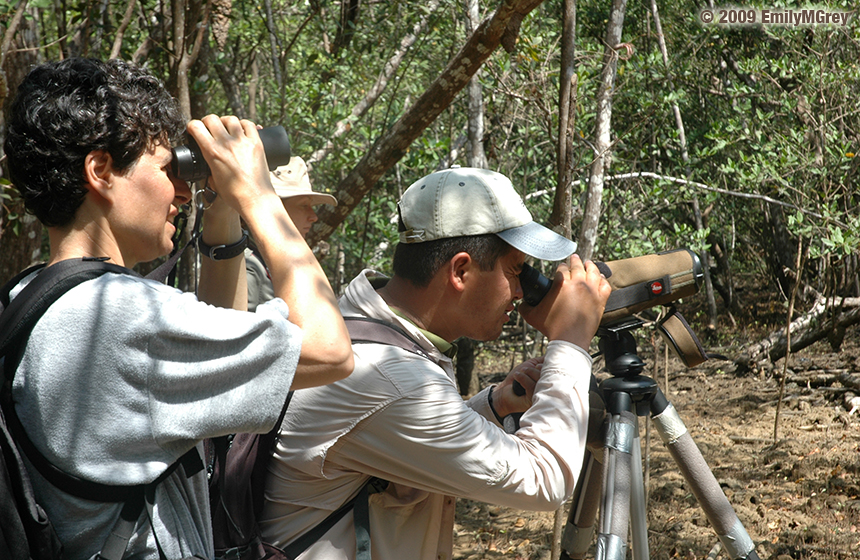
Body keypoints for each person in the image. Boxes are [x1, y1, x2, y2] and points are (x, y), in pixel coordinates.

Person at [2, 58, 353, 559]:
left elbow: (212, 346)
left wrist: (224, 212)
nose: (183, 192)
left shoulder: (33, 296)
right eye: (169, 169)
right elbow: (330, 351)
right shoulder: (120, 317)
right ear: (100, 171)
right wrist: (258, 195)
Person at [259, 166, 611, 560]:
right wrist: (571, 339)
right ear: (460, 270)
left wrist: (493, 406)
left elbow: (393, 437)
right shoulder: (392, 376)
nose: (519, 290)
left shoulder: (357, 326)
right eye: (515, 271)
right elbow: (544, 481)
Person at [247, 156, 337, 311]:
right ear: (274, 207)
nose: (313, 216)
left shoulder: (275, 258)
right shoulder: (248, 266)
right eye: (303, 206)